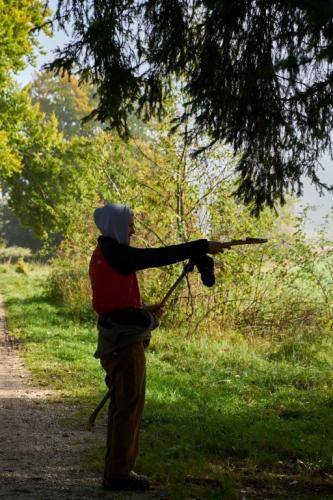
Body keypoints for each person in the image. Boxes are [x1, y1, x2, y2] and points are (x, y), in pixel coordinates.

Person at [89, 202, 225, 491]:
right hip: (123, 343)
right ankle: (118, 475)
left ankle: (116, 470)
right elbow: (155, 256)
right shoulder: (115, 253)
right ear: (116, 226)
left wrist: (141, 309)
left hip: (117, 338)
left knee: (123, 405)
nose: (134, 229)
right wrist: (199, 245)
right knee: (129, 406)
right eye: (129, 224)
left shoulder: (109, 253)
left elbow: (113, 300)